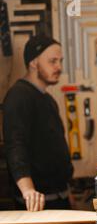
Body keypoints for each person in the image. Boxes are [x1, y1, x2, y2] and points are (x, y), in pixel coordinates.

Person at [3, 35, 74, 211]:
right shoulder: (18, 96)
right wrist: (28, 191)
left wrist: (67, 191)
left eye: (60, 61)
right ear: (34, 62)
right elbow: (14, 145)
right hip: (37, 204)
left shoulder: (48, 100)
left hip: (60, 198)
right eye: (53, 61)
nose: (59, 67)